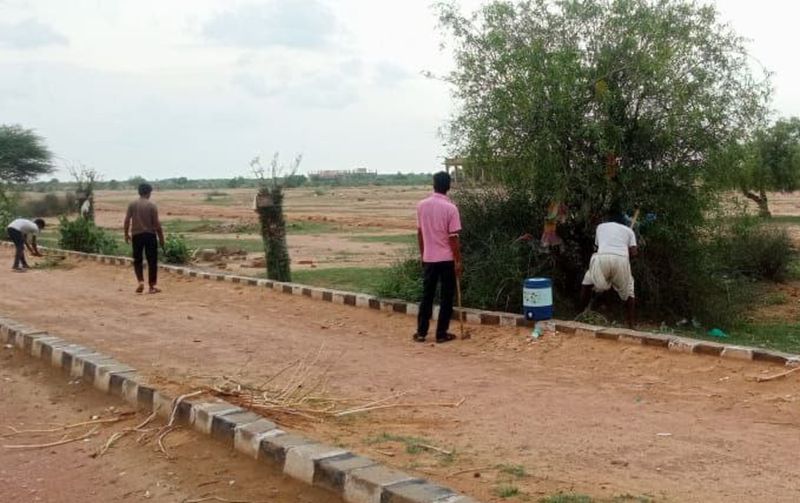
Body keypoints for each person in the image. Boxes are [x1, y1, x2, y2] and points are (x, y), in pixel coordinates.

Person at [413, 171, 463, 343]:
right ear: (448, 186)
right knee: (446, 297)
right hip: (447, 259)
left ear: (434, 185)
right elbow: (453, 238)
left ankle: (421, 332)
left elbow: (420, 233)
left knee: (427, 295)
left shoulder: (421, 206)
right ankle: (441, 334)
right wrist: (458, 261)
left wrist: (423, 255)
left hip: (429, 258)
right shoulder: (451, 208)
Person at [581, 211, 638, 327]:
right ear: (623, 222)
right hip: (621, 259)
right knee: (629, 290)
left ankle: (581, 313)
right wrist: (626, 252)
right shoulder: (629, 231)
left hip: (602, 257)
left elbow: (597, 246)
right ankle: (631, 324)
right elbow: (634, 253)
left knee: (587, 281)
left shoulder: (600, 227)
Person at [124, 183, 165, 294]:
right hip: (150, 235)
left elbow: (127, 220)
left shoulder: (132, 204)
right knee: (152, 260)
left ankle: (140, 281)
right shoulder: (152, 206)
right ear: (149, 192)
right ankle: (152, 286)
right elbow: (157, 224)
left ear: (139, 192)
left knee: (137, 259)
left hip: (136, 235)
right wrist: (161, 238)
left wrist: (126, 234)